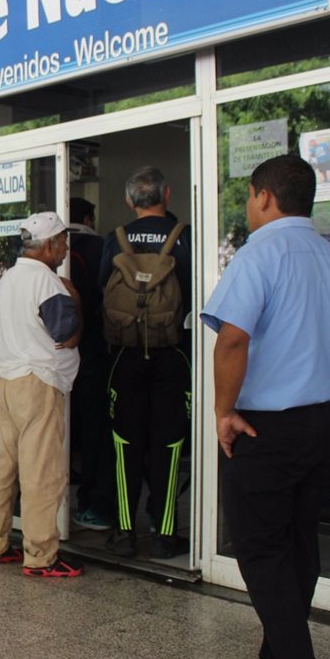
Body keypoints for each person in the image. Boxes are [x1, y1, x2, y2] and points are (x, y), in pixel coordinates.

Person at [202, 154, 330, 659]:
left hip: (266, 430)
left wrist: (224, 412)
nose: (250, 208)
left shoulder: (259, 255)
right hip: (324, 424)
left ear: (265, 196)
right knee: (301, 548)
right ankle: (282, 658)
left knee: (261, 550)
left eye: (250, 197)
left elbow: (231, 339)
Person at [0, 211, 84, 578]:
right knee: (42, 473)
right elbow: (66, 335)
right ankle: (41, 556)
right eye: (64, 241)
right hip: (37, 385)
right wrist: (77, 302)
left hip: (6, 384)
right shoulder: (48, 282)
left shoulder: (9, 278)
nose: (66, 249)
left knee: (3, 469)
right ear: (50, 243)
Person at [97, 167, 192, 559]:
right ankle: (164, 534)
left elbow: (100, 290)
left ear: (128, 200)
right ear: (166, 194)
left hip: (125, 357)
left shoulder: (114, 240)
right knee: (168, 444)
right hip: (173, 355)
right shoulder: (184, 236)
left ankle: (123, 533)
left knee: (124, 444)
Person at [65, 197, 115, 532]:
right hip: (97, 349)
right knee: (95, 426)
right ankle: (91, 498)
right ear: (88, 216)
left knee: (63, 422)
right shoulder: (103, 247)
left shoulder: (56, 253)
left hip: (58, 351)